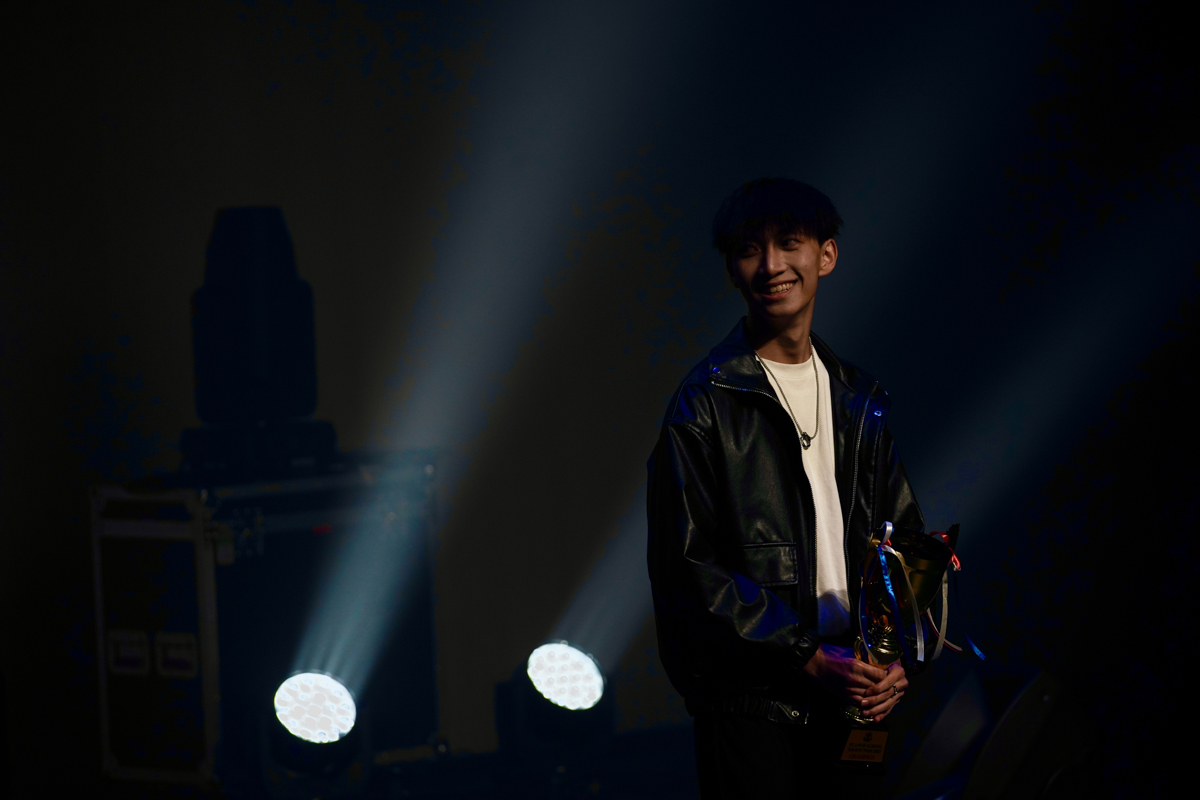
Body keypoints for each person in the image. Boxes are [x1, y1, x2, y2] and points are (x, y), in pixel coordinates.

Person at [646, 178, 925, 796]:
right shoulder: (703, 404)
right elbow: (689, 569)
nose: (772, 265)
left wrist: (896, 655)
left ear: (826, 255)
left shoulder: (858, 398)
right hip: (754, 701)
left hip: (855, 689)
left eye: (789, 243)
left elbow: (903, 539)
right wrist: (805, 654)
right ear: (732, 270)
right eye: (750, 249)